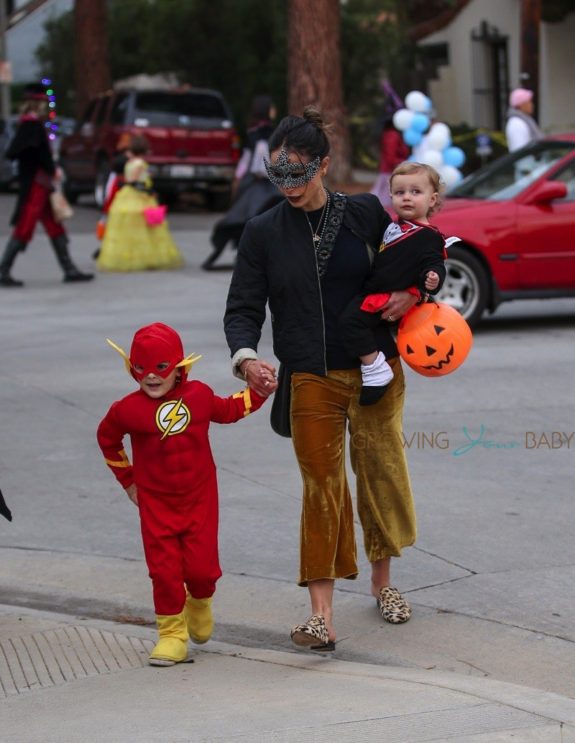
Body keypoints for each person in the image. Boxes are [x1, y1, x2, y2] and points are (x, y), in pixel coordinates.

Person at [224, 107, 419, 652]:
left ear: (324, 166)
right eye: (279, 174)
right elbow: (243, 307)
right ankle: (321, 616)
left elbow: (419, 254)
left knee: (379, 474)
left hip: (375, 370)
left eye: (300, 174)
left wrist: (416, 293)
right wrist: (246, 358)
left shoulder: (363, 214)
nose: (288, 186)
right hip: (309, 373)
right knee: (321, 488)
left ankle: (383, 584)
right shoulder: (262, 232)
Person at [97, 322, 274, 666]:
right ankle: (171, 634)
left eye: (160, 368)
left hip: (199, 499)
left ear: (179, 367)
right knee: (163, 572)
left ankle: (200, 601)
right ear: (130, 368)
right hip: (155, 503)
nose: (150, 376)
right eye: (140, 368)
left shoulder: (198, 395)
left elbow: (230, 409)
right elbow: (107, 439)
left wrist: (262, 391)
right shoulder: (126, 410)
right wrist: (128, 481)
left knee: (202, 571)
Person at [340, 162, 448, 405]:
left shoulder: (429, 235)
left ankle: (374, 367)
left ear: (432, 199)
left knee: (350, 322)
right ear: (390, 196)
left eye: (415, 192)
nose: (407, 197)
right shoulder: (394, 227)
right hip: (378, 289)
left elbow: (435, 263)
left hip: (390, 296)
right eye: (400, 193)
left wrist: (432, 278)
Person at [0, 84, 93, 288]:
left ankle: (69, 269)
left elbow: (19, 152)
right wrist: (51, 169)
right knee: (26, 225)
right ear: (37, 103)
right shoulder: (32, 126)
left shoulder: (29, 125)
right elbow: (36, 154)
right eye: (44, 102)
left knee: (53, 224)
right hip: (36, 183)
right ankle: (3, 270)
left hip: (40, 182)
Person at [202, 95, 283, 270]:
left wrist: (239, 178)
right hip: (263, 183)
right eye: (272, 108)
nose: (275, 111)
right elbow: (260, 162)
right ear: (267, 111)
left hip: (251, 182)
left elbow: (245, 160)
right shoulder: (268, 133)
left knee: (244, 216)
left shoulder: (252, 132)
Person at [96, 135, 184, 272]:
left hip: (126, 196)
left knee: (127, 230)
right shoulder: (140, 164)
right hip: (139, 196)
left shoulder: (129, 162)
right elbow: (135, 182)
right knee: (146, 228)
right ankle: (147, 257)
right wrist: (150, 191)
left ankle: (125, 256)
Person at [370, 115, 409, 208]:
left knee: (381, 192)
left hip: (387, 168)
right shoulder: (392, 135)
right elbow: (390, 154)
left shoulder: (386, 134)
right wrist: (402, 162)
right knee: (385, 196)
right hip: (391, 169)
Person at [505, 88, 543, 153]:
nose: (532, 105)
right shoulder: (516, 123)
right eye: (529, 102)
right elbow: (519, 150)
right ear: (521, 105)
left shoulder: (526, 120)